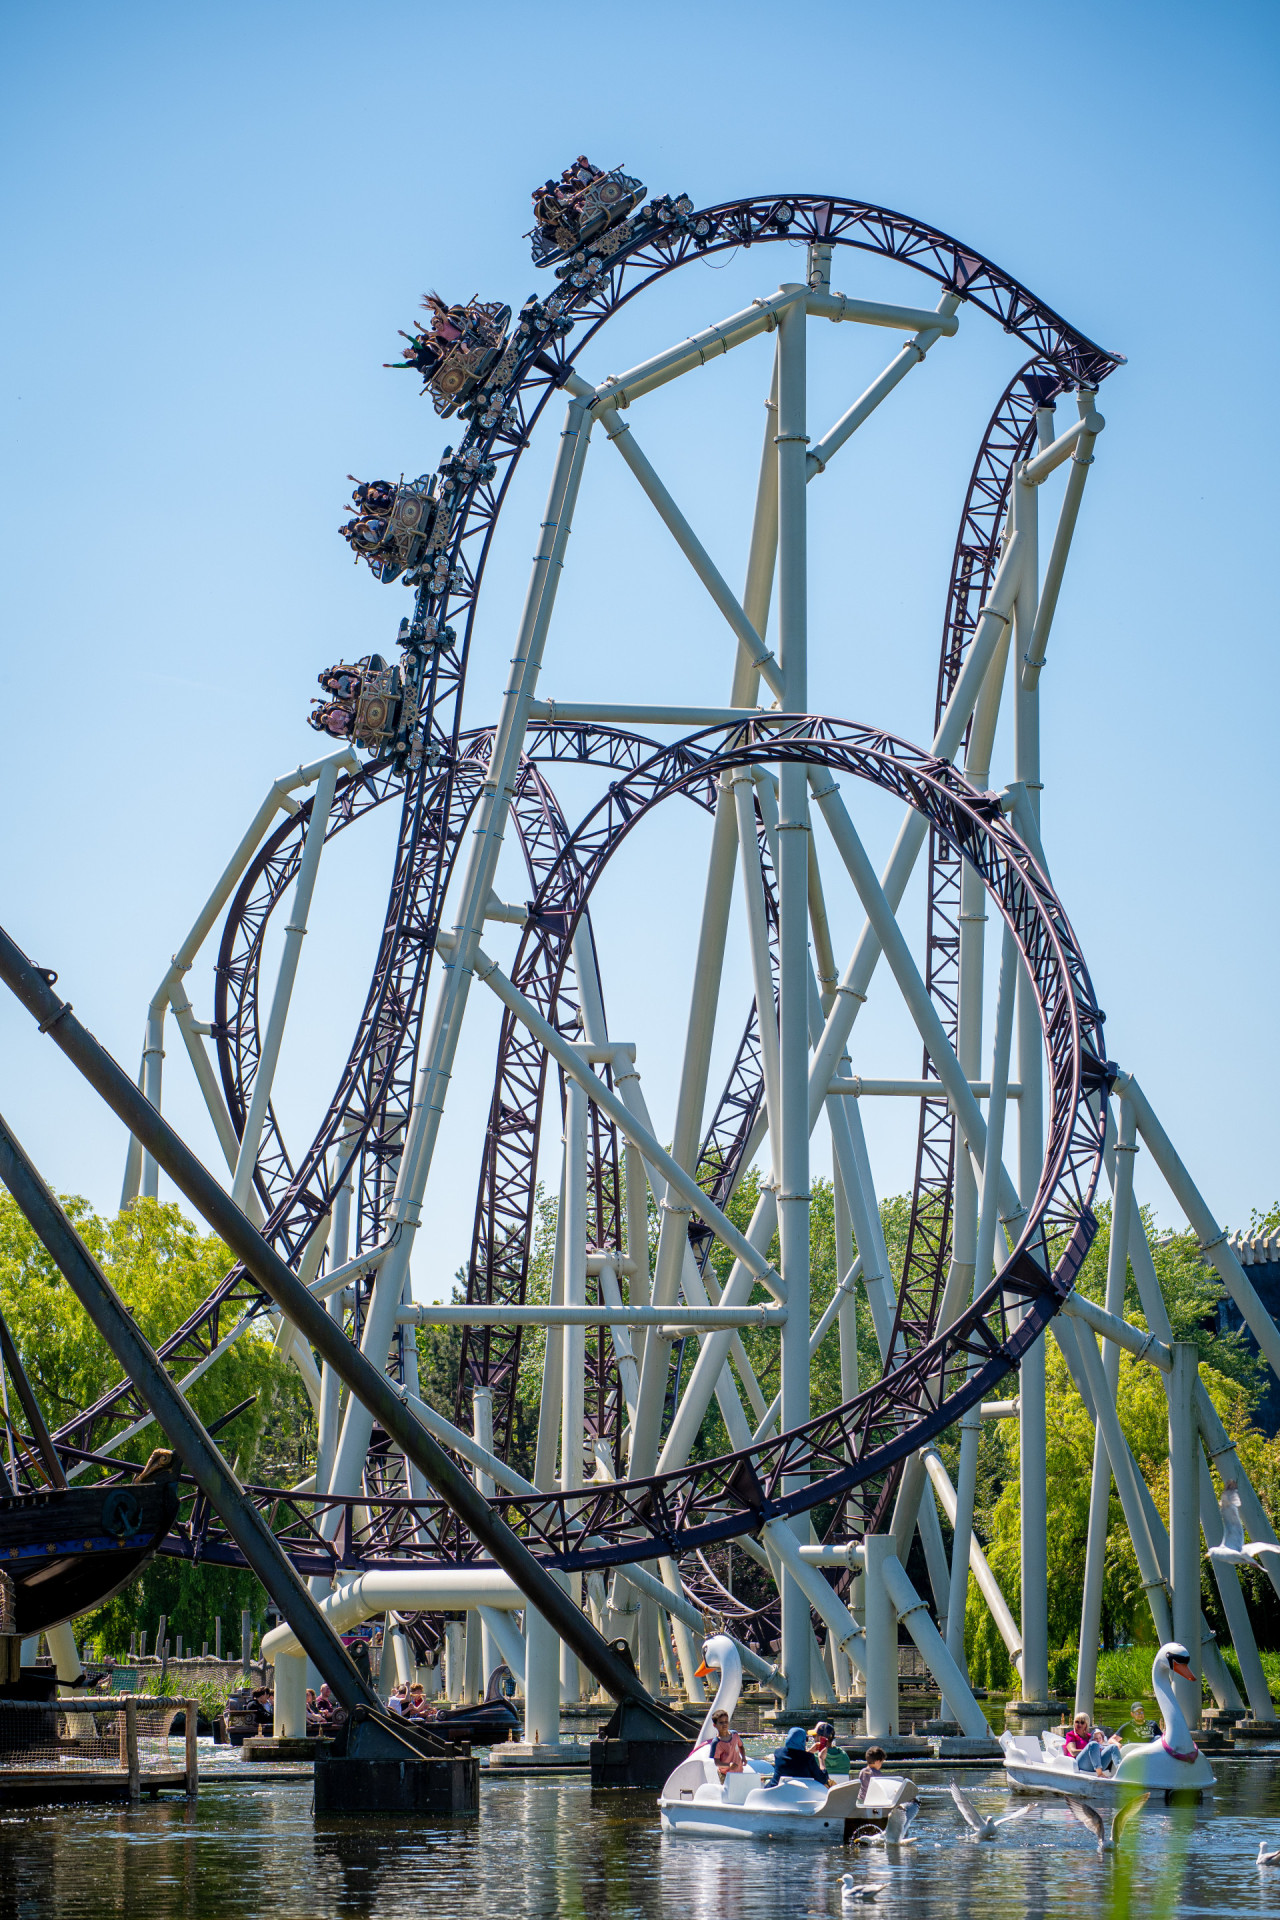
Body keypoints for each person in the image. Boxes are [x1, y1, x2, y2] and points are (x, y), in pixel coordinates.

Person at [1064, 1710, 1121, 1775]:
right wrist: (1092, 1750)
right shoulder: (1071, 1735)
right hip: (1079, 1764)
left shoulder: (1090, 1736)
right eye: (1077, 1722)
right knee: (1093, 1744)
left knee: (1113, 1747)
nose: (1079, 1724)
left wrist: (1099, 1750)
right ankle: (1100, 1774)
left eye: (1082, 1722)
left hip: (1095, 1764)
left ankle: (1121, 1771)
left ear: (1086, 1725)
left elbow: (1099, 1746)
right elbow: (1073, 1752)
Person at [706, 1708, 746, 1777]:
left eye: (726, 1722)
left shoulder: (735, 1734)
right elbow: (716, 1762)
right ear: (714, 1725)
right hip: (725, 1774)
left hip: (739, 1771)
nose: (724, 1724)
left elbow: (741, 1746)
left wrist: (743, 1757)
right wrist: (728, 1765)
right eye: (721, 1722)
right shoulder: (716, 1742)